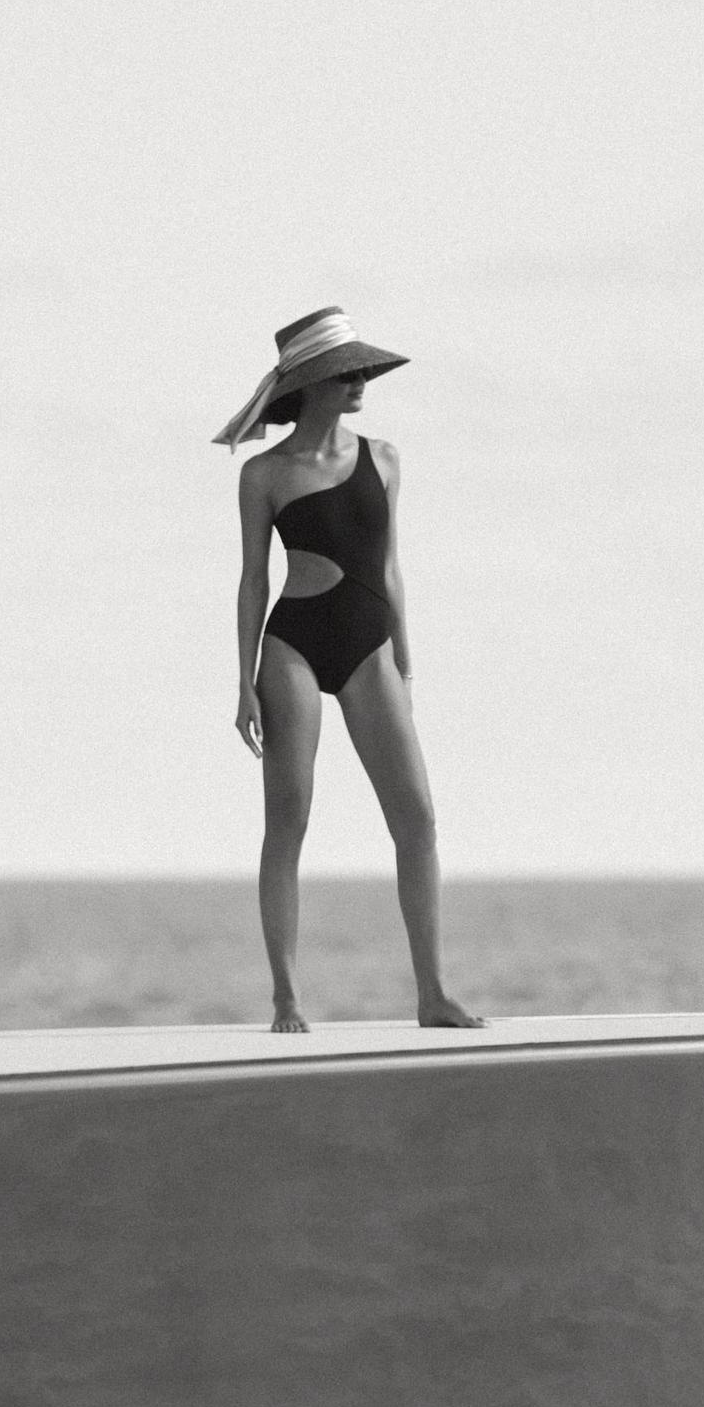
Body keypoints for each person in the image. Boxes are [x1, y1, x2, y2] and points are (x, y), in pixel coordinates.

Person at [218, 307, 484, 1034]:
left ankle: (432, 993)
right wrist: (243, 679)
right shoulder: (264, 474)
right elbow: (251, 581)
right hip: (294, 647)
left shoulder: (386, 459)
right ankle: (287, 998)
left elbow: (391, 566)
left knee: (418, 817)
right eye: (349, 372)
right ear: (313, 384)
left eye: (363, 368)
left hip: (369, 645)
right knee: (289, 820)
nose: (363, 380)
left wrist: (405, 658)